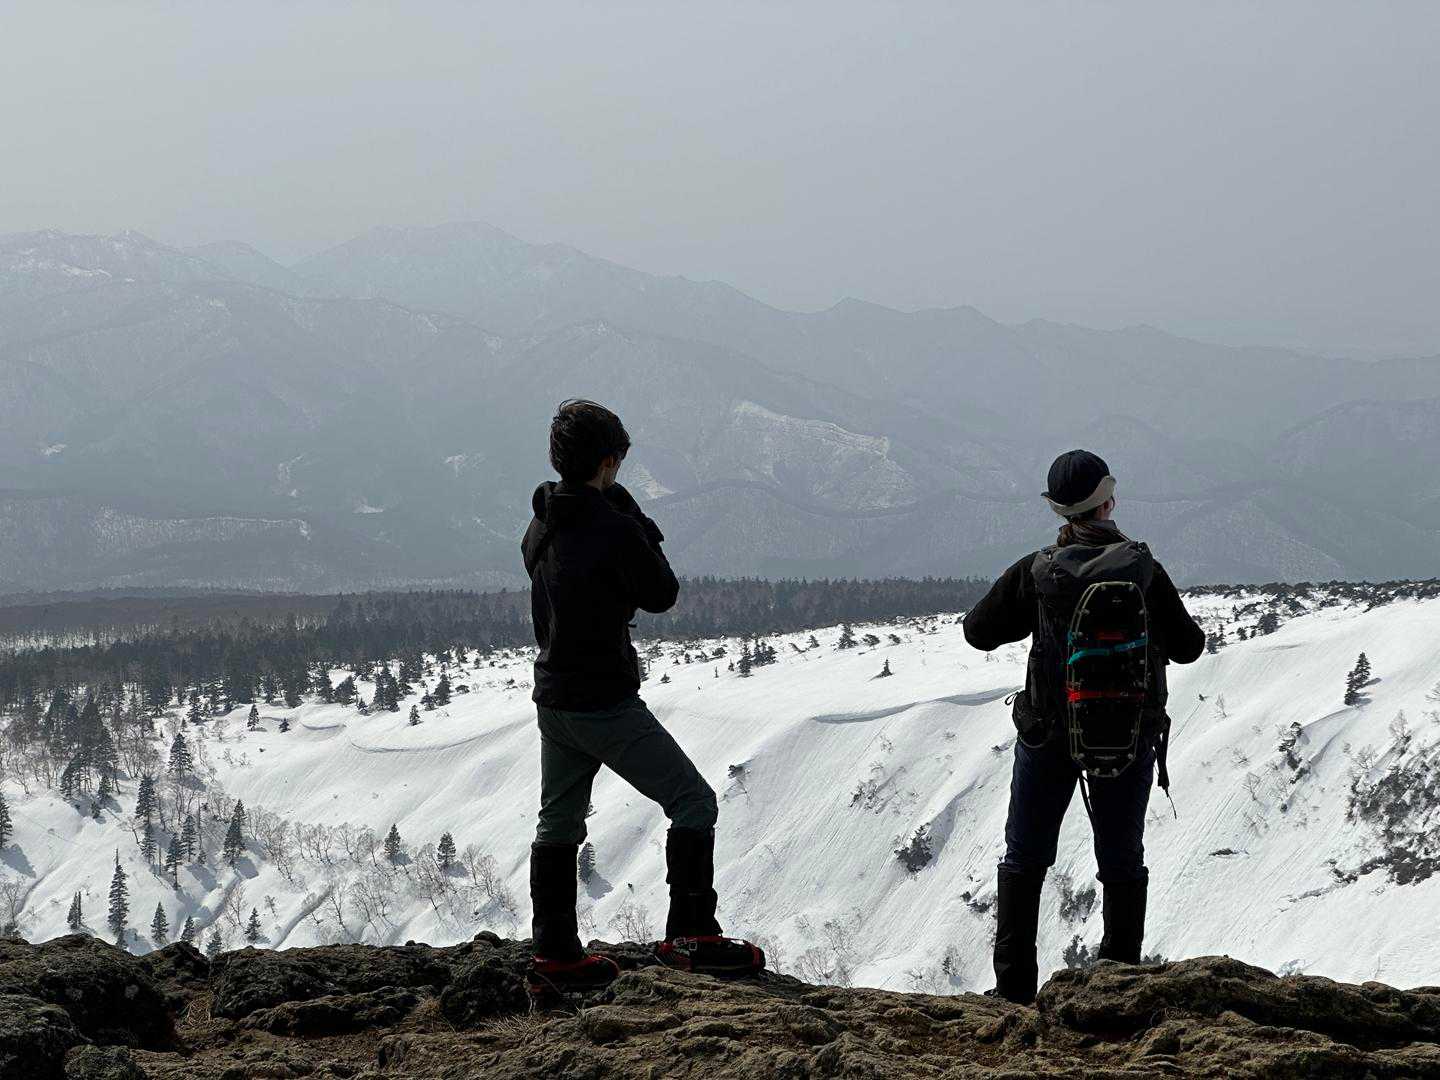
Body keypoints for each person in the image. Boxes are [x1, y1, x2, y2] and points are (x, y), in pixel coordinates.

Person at [521, 399, 764, 993]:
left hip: (553, 699)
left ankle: (555, 953)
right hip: (604, 700)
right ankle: (691, 936)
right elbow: (662, 592)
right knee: (693, 802)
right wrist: (630, 516)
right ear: (609, 462)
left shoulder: (541, 520)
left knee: (558, 821)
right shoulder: (611, 525)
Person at [962, 450, 1204, 1004]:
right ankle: (1116, 991)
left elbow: (978, 631)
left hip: (1047, 733)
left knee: (1025, 857)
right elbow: (1189, 647)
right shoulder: (1143, 568)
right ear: (1108, 500)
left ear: (1057, 509)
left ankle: (1013, 991)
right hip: (1128, 735)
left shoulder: (1037, 571)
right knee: (1121, 861)